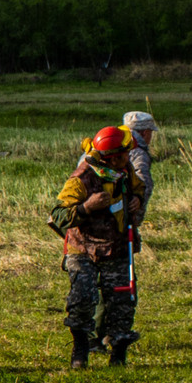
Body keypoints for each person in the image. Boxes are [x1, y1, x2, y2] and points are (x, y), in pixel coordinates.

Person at [50, 128, 138, 368]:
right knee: (82, 300)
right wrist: (86, 207)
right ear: (112, 158)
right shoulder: (81, 179)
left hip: (117, 248)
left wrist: (136, 199)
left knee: (122, 302)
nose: (129, 157)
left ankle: (118, 355)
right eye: (125, 153)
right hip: (83, 250)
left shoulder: (125, 171)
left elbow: (137, 188)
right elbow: (58, 215)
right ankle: (80, 351)